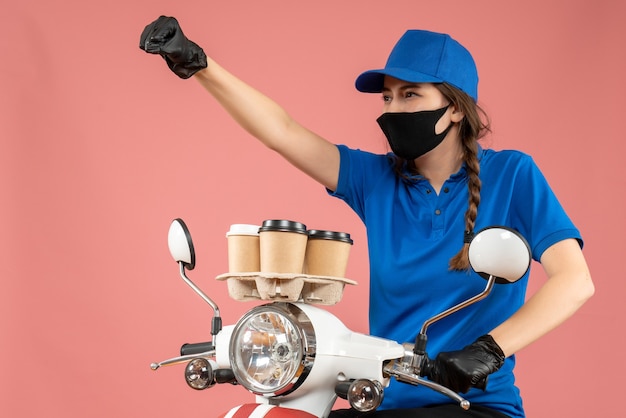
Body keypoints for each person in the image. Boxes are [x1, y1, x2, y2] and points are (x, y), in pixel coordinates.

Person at [139, 16, 594, 418]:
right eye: (388, 98)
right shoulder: (375, 180)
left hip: (472, 406)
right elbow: (282, 132)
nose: (392, 110)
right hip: (376, 400)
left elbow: (575, 282)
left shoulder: (513, 175)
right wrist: (199, 64)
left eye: (410, 95)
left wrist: (487, 351)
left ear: (455, 108)